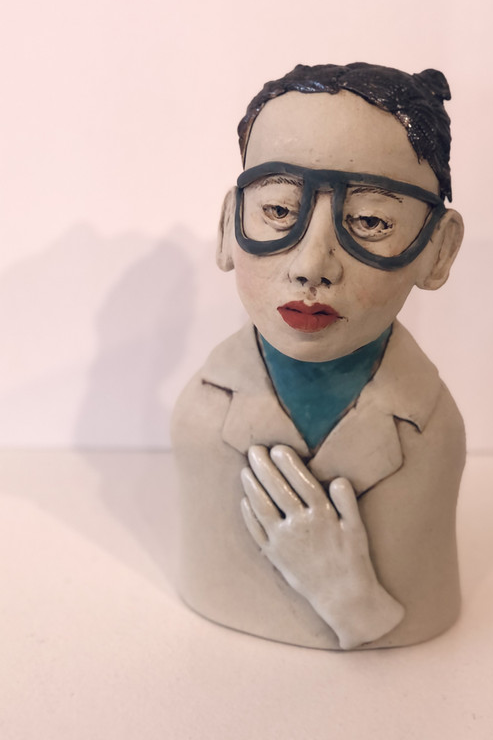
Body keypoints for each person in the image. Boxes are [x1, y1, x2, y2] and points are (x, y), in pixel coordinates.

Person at [171, 63, 465, 650]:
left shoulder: (428, 433)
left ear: (438, 249)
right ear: (229, 225)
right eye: (279, 211)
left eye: (371, 221)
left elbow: (416, 609)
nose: (312, 266)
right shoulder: (202, 416)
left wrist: (346, 592)